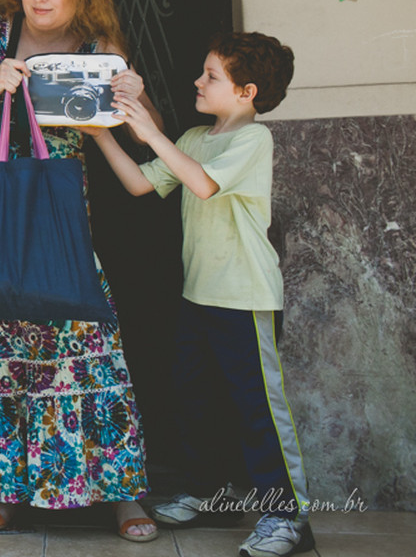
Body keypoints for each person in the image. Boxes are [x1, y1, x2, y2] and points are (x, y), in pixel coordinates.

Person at [0, 0, 159, 542]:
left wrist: (134, 94)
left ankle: (121, 494)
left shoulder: (97, 45)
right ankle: (2, 491)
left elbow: (144, 131)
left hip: (53, 217)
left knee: (83, 342)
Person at [86, 32, 315, 557]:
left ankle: (285, 516)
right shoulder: (193, 136)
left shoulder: (253, 140)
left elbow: (204, 184)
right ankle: (207, 493)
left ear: (246, 92)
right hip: (199, 297)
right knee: (196, 400)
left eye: (211, 76)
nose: (197, 80)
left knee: (258, 410)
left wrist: (146, 128)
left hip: (246, 299)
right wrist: (100, 134)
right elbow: (142, 184)